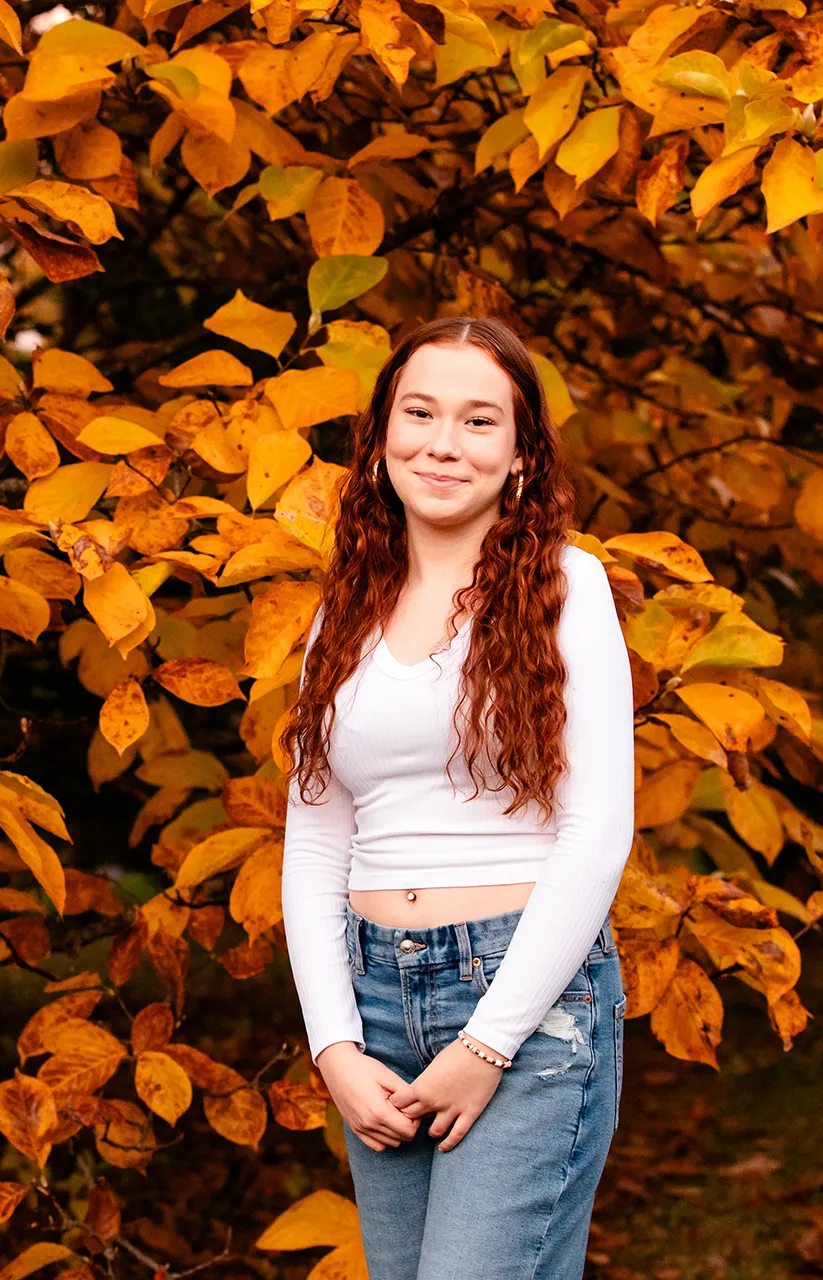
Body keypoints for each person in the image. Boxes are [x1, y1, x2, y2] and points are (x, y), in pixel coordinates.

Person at [278, 315, 636, 1279]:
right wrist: (334, 1046)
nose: (442, 442)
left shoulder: (569, 586)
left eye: (480, 421)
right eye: (419, 412)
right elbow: (315, 838)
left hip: (526, 996)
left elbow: (598, 832)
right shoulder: (341, 612)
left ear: (520, 457)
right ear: (383, 435)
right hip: (374, 1003)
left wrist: (488, 1043)